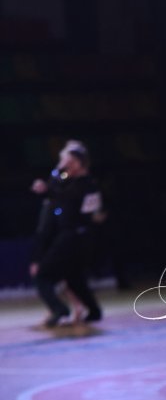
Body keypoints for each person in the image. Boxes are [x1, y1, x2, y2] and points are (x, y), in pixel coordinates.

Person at [30, 140, 104, 326]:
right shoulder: (85, 184)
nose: (64, 167)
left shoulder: (81, 186)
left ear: (77, 163)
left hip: (72, 238)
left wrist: (47, 188)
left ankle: (58, 308)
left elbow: (62, 198)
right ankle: (93, 311)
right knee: (74, 278)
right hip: (84, 238)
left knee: (42, 276)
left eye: (67, 162)